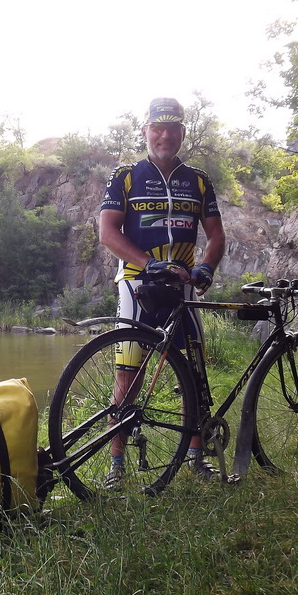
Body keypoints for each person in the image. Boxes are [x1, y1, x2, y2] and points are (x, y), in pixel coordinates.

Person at [99, 97, 227, 487]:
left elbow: (216, 235)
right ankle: (116, 464)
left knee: (192, 374)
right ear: (145, 131)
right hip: (137, 285)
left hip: (182, 289)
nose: (165, 135)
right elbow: (107, 232)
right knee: (128, 376)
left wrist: (206, 267)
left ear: (183, 132)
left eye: (172, 128)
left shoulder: (198, 180)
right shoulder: (126, 176)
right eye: (158, 128)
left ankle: (196, 458)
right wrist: (147, 262)